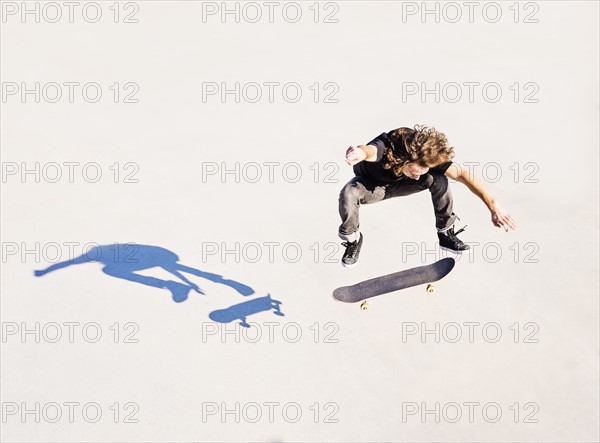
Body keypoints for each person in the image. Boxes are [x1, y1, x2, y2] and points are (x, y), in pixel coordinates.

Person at [338, 125, 517, 266]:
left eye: (423, 170)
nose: (418, 176)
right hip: (371, 188)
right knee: (349, 192)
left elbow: (463, 175)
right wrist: (360, 153)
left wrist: (493, 206)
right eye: (415, 171)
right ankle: (353, 240)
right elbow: (370, 150)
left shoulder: (426, 156)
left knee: (438, 179)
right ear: (405, 160)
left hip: (399, 186)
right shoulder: (389, 147)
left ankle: (445, 233)